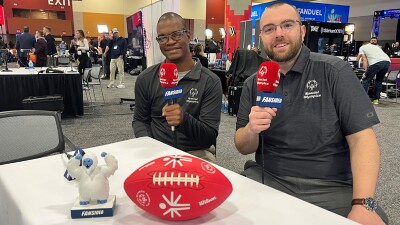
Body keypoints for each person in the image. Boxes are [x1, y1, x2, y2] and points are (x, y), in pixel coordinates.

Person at [234, 2, 388, 225]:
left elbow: (362, 140)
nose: (278, 34)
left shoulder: (334, 71)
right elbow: (242, 146)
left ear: (302, 31)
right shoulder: (253, 82)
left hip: (329, 187)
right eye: (269, 28)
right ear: (261, 37)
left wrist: (364, 203)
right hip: (267, 178)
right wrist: (251, 129)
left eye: (287, 25)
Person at [132, 12, 222, 163]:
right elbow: (140, 121)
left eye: (176, 35)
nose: (170, 41)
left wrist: (184, 120)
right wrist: (150, 146)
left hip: (197, 153)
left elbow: (209, 137)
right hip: (156, 151)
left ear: (188, 35)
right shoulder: (146, 79)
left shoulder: (210, 82)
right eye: (163, 37)